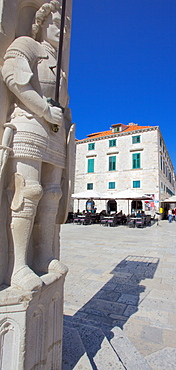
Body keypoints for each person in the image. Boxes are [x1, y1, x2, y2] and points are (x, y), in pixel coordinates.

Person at [0, 1, 74, 290]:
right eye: (57, 23)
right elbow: (13, 77)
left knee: (52, 194)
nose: (62, 29)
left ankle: (43, 256)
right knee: (28, 191)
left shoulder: (61, 71)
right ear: (42, 23)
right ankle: (18, 266)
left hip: (55, 133)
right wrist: (44, 109)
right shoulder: (27, 45)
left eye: (65, 25)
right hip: (29, 123)